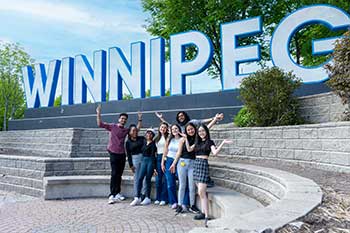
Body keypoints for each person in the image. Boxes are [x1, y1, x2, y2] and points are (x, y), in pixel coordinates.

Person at [170, 114, 222, 214]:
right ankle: (180, 205)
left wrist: (214, 119)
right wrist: (173, 163)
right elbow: (178, 153)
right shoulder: (182, 139)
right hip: (182, 163)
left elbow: (206, 129)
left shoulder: (197, 138)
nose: (190, 131)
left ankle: (192, 205)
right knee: (182, 185)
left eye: (192, 129)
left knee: (192, 186)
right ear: (186, 130)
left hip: (193, 163)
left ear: (194, 129)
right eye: (188, 130)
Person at [185, 124, 232, 227]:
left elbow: (215, 153)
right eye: (200, 131)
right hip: (196, 165)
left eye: (203, 131)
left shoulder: (209, 142)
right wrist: (185, 139)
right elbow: (189, 149)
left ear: (206, 131)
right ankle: (203, 213)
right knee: (201, 192)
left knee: (201, 191)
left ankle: (206, 216)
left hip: (203, 165)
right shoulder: (197, 142)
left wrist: (223, 143)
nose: (201, 132)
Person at [96, 104, 142, 204]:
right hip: (113, 152)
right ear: (119, 119)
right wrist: (98, 113)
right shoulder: (112, 126)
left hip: (122, 154)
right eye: (122, 118)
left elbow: (136, 130)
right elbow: (100, 124)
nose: (123, 120)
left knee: (119, 174)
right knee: (114, 173)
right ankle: (112, 195)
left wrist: (139, 119)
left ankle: (117, 193)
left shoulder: (126, 130)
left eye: (125, 119)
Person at [130, 129, 158, 206]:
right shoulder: (144, 142)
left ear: (152, 135)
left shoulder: (153, 144)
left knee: (148, 179)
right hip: (143, 161)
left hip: (150, 161)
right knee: (140, 178)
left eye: (150, 134)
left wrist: (154, 167)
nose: (148, 135)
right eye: (147, 133)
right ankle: (137, 197)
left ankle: (147, 197)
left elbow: (153, 156)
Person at [161, 124, 182, 209]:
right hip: (169, 161)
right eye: (173, 129)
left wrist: (174, 163)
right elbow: (165, 151)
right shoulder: (169, 139)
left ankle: (182, 202)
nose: (174, 130)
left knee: (182, 182)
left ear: (179, 129)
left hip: (178, 161)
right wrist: (162, 163)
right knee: (170, 183)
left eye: (176, 128)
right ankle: (173, 201)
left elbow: (179, 153)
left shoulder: (182, 139)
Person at [125, 124, 147, 201]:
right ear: (129, 132)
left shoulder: (142, 138)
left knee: (144, 177)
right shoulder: (128, 142)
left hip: (143, 158)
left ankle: (143, 194)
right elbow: (128, 154)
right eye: (133, 130)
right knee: (137, 178)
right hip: (135, 159)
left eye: (136, 130)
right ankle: (136, 195)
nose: (135, 132)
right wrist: (131, 165)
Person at [155, 111, 224, 133]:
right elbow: (169, 125)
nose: (180, 117)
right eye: (179, 117)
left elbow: (202, 121)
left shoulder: (192, 122)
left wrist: (214, 118)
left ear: (185, 116)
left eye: (182, 116)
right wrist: (161, 118)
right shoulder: (178, 126)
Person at [154, 122, 169, 206]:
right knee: (158, 180)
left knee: (165, 180)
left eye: (164, 127)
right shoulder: (156, 138)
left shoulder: (168, 137)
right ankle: (158, 197)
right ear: (159, 128)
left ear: (167, 129)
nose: (163, 129)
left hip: (166, 158)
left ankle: (164, 198)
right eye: (161, 127)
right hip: (158, 158)